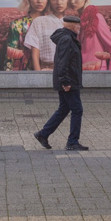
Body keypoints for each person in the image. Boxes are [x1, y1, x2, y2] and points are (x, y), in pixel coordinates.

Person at [33, 15, 89, 152]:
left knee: (64, 108)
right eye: (78, 25)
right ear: (72, 26)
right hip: (69, 81)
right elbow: (63, 62)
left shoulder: (67, 38)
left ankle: (43, 134)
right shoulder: (67, 39)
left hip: (68, 80)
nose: (80, 27)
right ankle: (72, 142)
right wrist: (65, 81)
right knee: (77, 109)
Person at [68, 0, 111, 71]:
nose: (72, 1)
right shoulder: (76, 20)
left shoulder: (96, 18)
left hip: (96, 71)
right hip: (80, 71)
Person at [3, 0, 48, 71]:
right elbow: (10, 57)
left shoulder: (52, 23)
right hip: (25, 72)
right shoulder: (17, 24)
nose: (39, 1)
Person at [23, 0, 69, 71]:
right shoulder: (39, 22)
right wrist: (39, 75)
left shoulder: (73, 23)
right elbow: (35, 55)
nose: (59, 2)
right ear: (49, 0)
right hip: (47, 69)